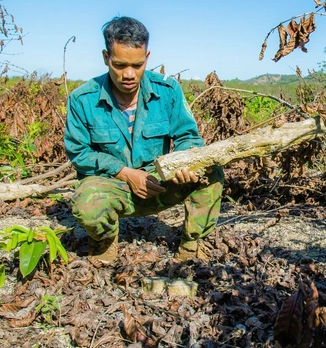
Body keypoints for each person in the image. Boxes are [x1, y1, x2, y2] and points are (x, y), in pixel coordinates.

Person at [64, 16, 223, 264]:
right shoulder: (82, 99)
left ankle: (192, 244)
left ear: (147, 57)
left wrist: (185, 163)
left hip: (159, 183)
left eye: (137, 65)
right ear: (106, 57)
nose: (129, 74)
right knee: (86, 203)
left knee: (211, 172)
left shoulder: (167, 91)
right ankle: (104, 239)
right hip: (113, 187)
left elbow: (187, 136)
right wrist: (126, 174)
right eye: (119, 65)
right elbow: (80, 154)